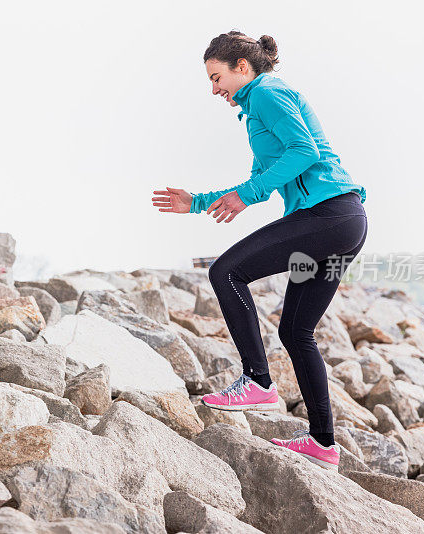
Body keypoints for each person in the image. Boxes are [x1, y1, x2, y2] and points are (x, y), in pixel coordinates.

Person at [151, 30, 367, 472]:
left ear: (242, 68)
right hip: (342, 222)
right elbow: (263, 177)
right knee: (295, 331)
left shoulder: (267, 92)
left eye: (217, 78)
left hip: (328, 216)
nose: (214, 90)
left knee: (226, 272)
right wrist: (195, 202)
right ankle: (323, 444)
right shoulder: (256, 113)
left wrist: (247, 196)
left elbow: (303, 152)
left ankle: (257, 380)